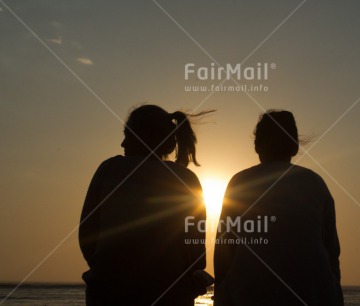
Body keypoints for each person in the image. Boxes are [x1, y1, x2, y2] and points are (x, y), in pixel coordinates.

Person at [79, 105, 212, 306]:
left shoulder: (110, 169)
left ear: (144, 134)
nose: (122, 143)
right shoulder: (186, 178)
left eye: (127, 134)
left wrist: (108, 270)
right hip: (170, 293)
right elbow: (196, 249)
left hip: (109, 292)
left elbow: (87, 234)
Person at [214, 110, 344, 306]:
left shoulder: (240, 182)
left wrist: (221, 293)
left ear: (257, 146)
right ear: (295, 146)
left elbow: (224, 248)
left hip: (249, 294)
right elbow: (332, 250)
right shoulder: (315, 183)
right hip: (312, 294)